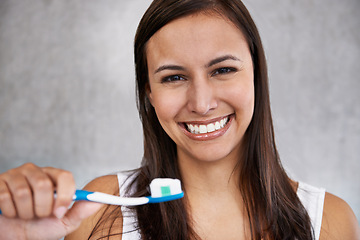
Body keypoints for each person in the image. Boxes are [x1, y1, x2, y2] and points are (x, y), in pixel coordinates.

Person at [0, 0, 359, 239]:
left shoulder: (331, 220)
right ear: (149, 94)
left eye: (223, 70)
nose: (202, 104)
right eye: (174, 77)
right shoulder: (99, 210)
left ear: (256, 76)